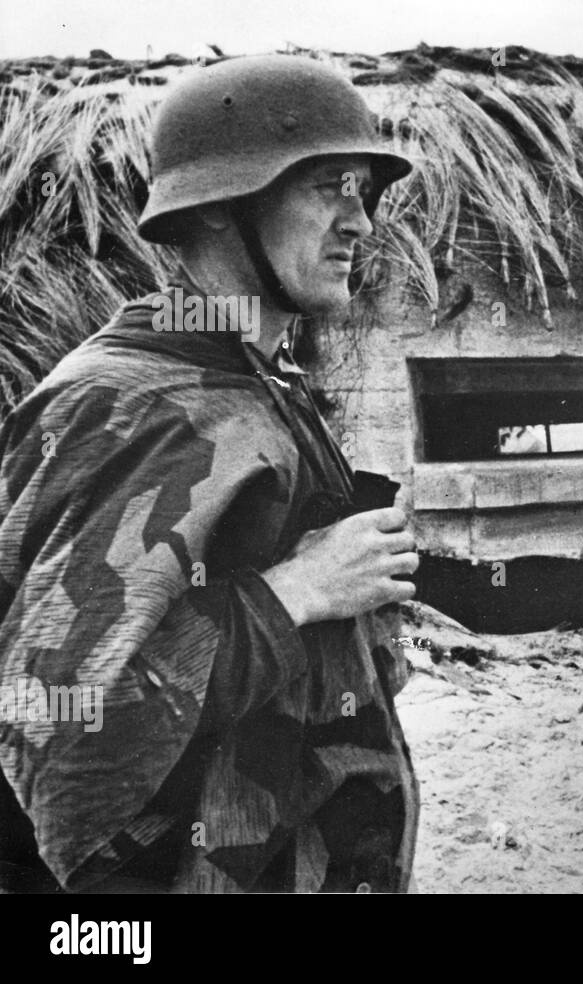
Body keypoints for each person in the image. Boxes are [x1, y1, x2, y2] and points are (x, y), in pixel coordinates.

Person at [0, 54, 422, 893]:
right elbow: (56, 719)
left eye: (361, 189)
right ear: (225, 206)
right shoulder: (130, 406)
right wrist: (295, 593)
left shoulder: (256, 377)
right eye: (326, 187)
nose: (360, 222)